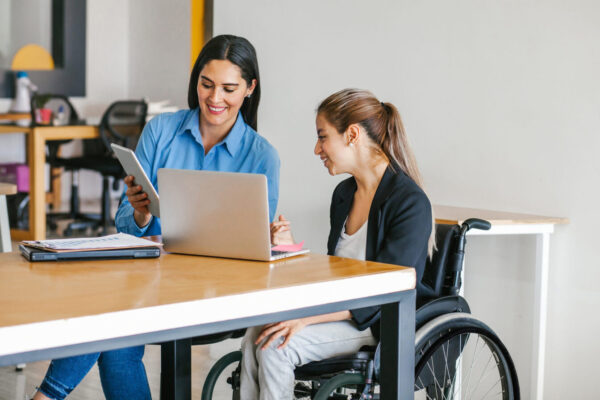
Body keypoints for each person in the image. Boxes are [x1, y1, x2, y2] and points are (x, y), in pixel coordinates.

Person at [32, 34, 280, 400]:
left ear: (249, 88)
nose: (215, 98)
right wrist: (141, 214)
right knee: (115, 334)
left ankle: (45, 397)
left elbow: (254, 246)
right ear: (195, 80)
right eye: (206, 84)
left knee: (109, 311)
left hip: (218, 288)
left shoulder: (262, 157)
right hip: (150, 278)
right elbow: (123, 223)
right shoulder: (161, 131)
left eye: (229, 88)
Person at [239, 88, 434, 400]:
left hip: (378, 324)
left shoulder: (409, 203)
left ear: (352, 134)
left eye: (323, 136)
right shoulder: (344, 195)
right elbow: (335, 273)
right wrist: (289, 250)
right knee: (255, 335)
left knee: (276, 344)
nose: (317, 148)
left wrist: (305, 318)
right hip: (340, 313)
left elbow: (384, 293)